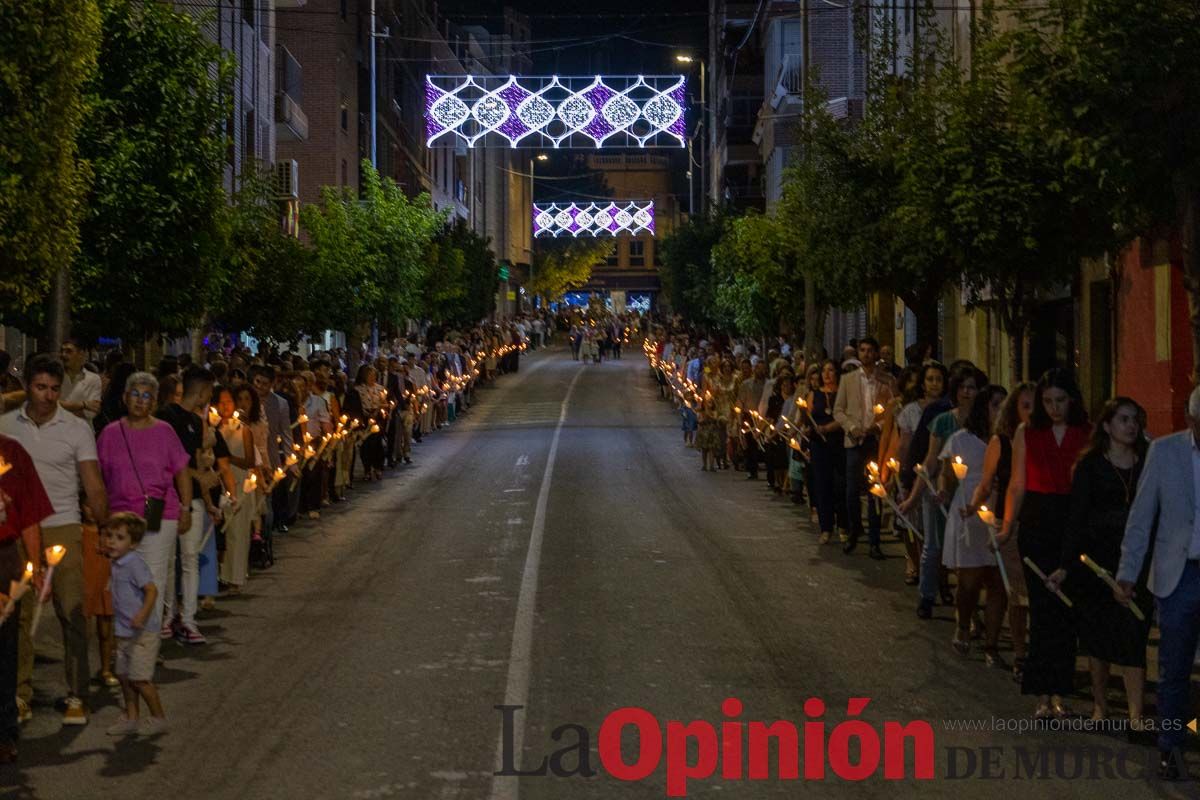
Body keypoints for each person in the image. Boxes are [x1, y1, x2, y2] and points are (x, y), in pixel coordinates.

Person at [0, 356, 109, 726]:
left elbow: (92, 481)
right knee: (19, 615)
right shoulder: (7, 428)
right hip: (17, 532)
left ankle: (77, 692)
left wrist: (104, 526)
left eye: (54, 389)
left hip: (63, 525)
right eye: (40, 387)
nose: (47, 396)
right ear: (27, 387)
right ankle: (19, 693)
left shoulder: (76, 429)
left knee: (72, 610)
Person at [1045, 397, 1151, 726]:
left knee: (1135, 633)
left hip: (1137, 559)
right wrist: (1066, 564)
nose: (1131, 425)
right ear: (1107, 425)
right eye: (1123, 419)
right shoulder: (1091, 465)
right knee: (1098, 637)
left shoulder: (1148, 461)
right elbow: (1076, 518)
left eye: (1135, 419)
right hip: (1097, 561)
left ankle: (1135, 714)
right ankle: (1100, 706)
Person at [1116, 385, 1200, 780]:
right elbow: (1141, 515)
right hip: (1178, 571)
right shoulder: (1166, 453)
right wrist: (1128, 572)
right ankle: (1171, 745)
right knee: (1174, 664)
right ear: (1190, 420)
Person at [999, 368, 1090, 720]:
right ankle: (1042, 692)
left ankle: (1061, 692)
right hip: (1038, 521)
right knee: (1041, 608)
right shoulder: (1027, 432)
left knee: (1066, 611)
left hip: (1071, 520)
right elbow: (1017, 484)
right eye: (1048, 401)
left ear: (1072, 400)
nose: (1054, 408)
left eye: (1060, 401)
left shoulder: (1086, 433)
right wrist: (1008, 526)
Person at [96, 372, 192, 629]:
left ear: (154, 402)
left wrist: (186, 507)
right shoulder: (110, 434)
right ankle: (127, 637)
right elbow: (100, 478)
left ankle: (147, 642)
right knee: (123, 579)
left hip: (159, 513)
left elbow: (181, 471)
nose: (140, 401)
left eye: (146, 396)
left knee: (152, 578)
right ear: (126, 398)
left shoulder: (165, 431)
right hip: (120, 518)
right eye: (135, 395)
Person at [965, 382, 1035, 682]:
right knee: (1019, 595)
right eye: (1026, 406)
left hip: (1043, 522)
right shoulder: (1002, 443)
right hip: (1013, 523)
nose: (1033, 412)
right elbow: (987, 480)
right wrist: (973, 506)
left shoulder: (1046, 440)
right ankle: (1021, 653)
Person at [154, 366, 225, 645]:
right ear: (203, 391)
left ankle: (187, 619)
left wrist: (208, 503)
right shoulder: (165, 418)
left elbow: (194, 464)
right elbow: (179, 466)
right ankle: (167, 617)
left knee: (189, 560)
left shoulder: (196, 423)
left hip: (192, 499)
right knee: (168, 560)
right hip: (165, 498)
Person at [942, 384, 1008, 666]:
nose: (1001, 410)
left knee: (998, 583)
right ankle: (964, 623)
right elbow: (948, 474)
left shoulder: (1009, 441)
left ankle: (992, 644)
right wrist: (945, 492)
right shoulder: (961, 440)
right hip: (969, 511)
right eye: (996, 404)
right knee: (968, 583)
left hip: (999, 512)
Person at [0, 432, 53, 762]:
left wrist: (37, 570)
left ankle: (4, 731)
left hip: (4, 559)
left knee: (5, 649)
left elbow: (30, 514)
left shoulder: (12, 452)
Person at [102, 512, 167, 736]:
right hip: (123, 630)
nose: (111, 541)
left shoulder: (134, 563)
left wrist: (143, 613)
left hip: (142, 633)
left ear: (134, 543)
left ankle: (158, 717)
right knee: (124, 676)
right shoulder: (116, 562)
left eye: (119, 537)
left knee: (139, 679)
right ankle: (131, 717)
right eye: (109, 535)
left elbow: (151, 590)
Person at [833, 336, 892, 559]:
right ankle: (854, 529)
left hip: (875, 441)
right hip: (855, 440)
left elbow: (891, 410)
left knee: (874, 491)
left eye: (870, 350)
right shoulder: (848, 380)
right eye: (863, 350)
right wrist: (851, 427)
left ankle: (875, 541)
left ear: (876, 354)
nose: (866, 354)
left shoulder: (885, 381)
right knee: (851, 490)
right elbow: (838, 410)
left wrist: (878, 426)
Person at [59, 338, 101, 423]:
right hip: (57, 432)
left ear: (80, 354)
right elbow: (49, 405)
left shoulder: (93, 379)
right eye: (62, 351)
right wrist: (83, 405)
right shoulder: (55, 376)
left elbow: (90, 413)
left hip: (83, 433)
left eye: (68, 351)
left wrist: (60, 408)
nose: (63, 355)